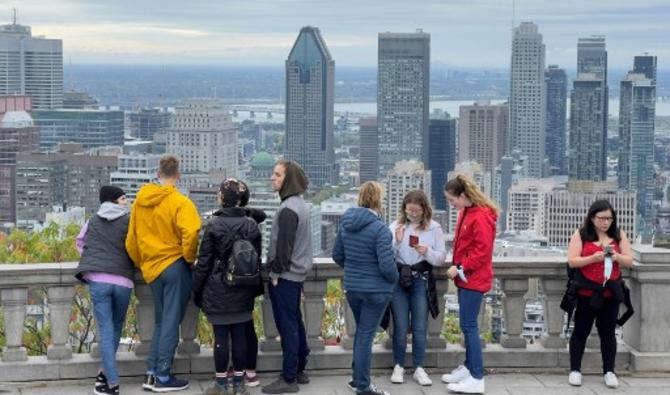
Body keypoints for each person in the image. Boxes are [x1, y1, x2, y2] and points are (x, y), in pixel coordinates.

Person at [125, 155, 201, 392]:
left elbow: (131, 241)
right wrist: (188, 258)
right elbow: (192, 232)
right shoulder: (181, 202)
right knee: (170, 323)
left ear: (158, 174)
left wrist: (143, 262)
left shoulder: (139, 202)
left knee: (160, 322)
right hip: (175, 266)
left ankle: (151, 372)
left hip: (152, 269)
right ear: (177, 175)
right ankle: (163, 376)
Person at [193, 178, 263, 395]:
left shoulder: (214, 224)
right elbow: (256, 258)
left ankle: (221, 385)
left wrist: (197, 290)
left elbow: (203, 262)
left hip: (218, 287)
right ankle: (240, 385)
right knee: (240, 336)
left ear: (223, 198)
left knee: (221, 336)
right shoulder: (251, 225)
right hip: (244, 287)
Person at [332, 181, 398, 395]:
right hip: (375, 292)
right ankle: (363, 386)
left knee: (362, 333)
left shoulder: (346, 224)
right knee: (365, 336)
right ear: (378, 200)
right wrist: (393, 280)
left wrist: (354, 269)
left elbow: (337, 255)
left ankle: (356, 378)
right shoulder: (380, 230)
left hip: (353, 289)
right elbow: (387, 267)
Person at [566, 199, 634, 389]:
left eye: (609, 218)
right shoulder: (581, 235)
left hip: (610, 293)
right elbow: (572, 261)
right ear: (592, 218)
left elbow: (629, 260)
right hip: (587, 292)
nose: (606, 222)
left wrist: (616, 256)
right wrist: (593, 258)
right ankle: (575, 369)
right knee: (580, 331)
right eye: (602, 218)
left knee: (608, 334)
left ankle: (609, 371)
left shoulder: (619, 235)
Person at [442, 174, 498, 394]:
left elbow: (483, 252)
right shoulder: (468, 212)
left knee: (469, 326)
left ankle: (476, 376)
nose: (451, 204)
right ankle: (468, 368)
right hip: (467, 279)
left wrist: (460, 267)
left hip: (473, 278)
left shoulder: (480, 216)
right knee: (467, 325)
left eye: (452, 200)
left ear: (463, 196)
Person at [75, 186, 134, 395]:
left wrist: (93, 258)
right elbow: (135, 246)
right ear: (114, 200)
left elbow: (80, 242)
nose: (126, 202)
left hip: (99, 279)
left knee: (106, 329)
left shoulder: (92, 220)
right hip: (123, 281)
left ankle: (111, 380)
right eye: (123, 198)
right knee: (116, 327)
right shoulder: (130, 220)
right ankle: (107, 375)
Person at [261, 160, 312, 394]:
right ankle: (300, 368)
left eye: (278, 175)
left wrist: (275, 273)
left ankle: (289, 377)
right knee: (296, 322)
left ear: (288, 180)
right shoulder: (300, 205)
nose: (273, 178)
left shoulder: (288, 209)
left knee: (288, 326)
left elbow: (284, 247)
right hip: (296, 275)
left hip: (285, 276)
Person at [389, 190, 446, 386]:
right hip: (399, 281)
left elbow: (441, 258)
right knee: (401, 325)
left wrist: (426, 251)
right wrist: (396, 241)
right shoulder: (396, 226)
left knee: (420, 326)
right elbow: (386, 256)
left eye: (416, 211)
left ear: (424, 209)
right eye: (409, 210)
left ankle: (419, 367)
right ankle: (399, 365)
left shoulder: (434, 228)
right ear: (404, 209)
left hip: (421, 279)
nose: (412, 214)